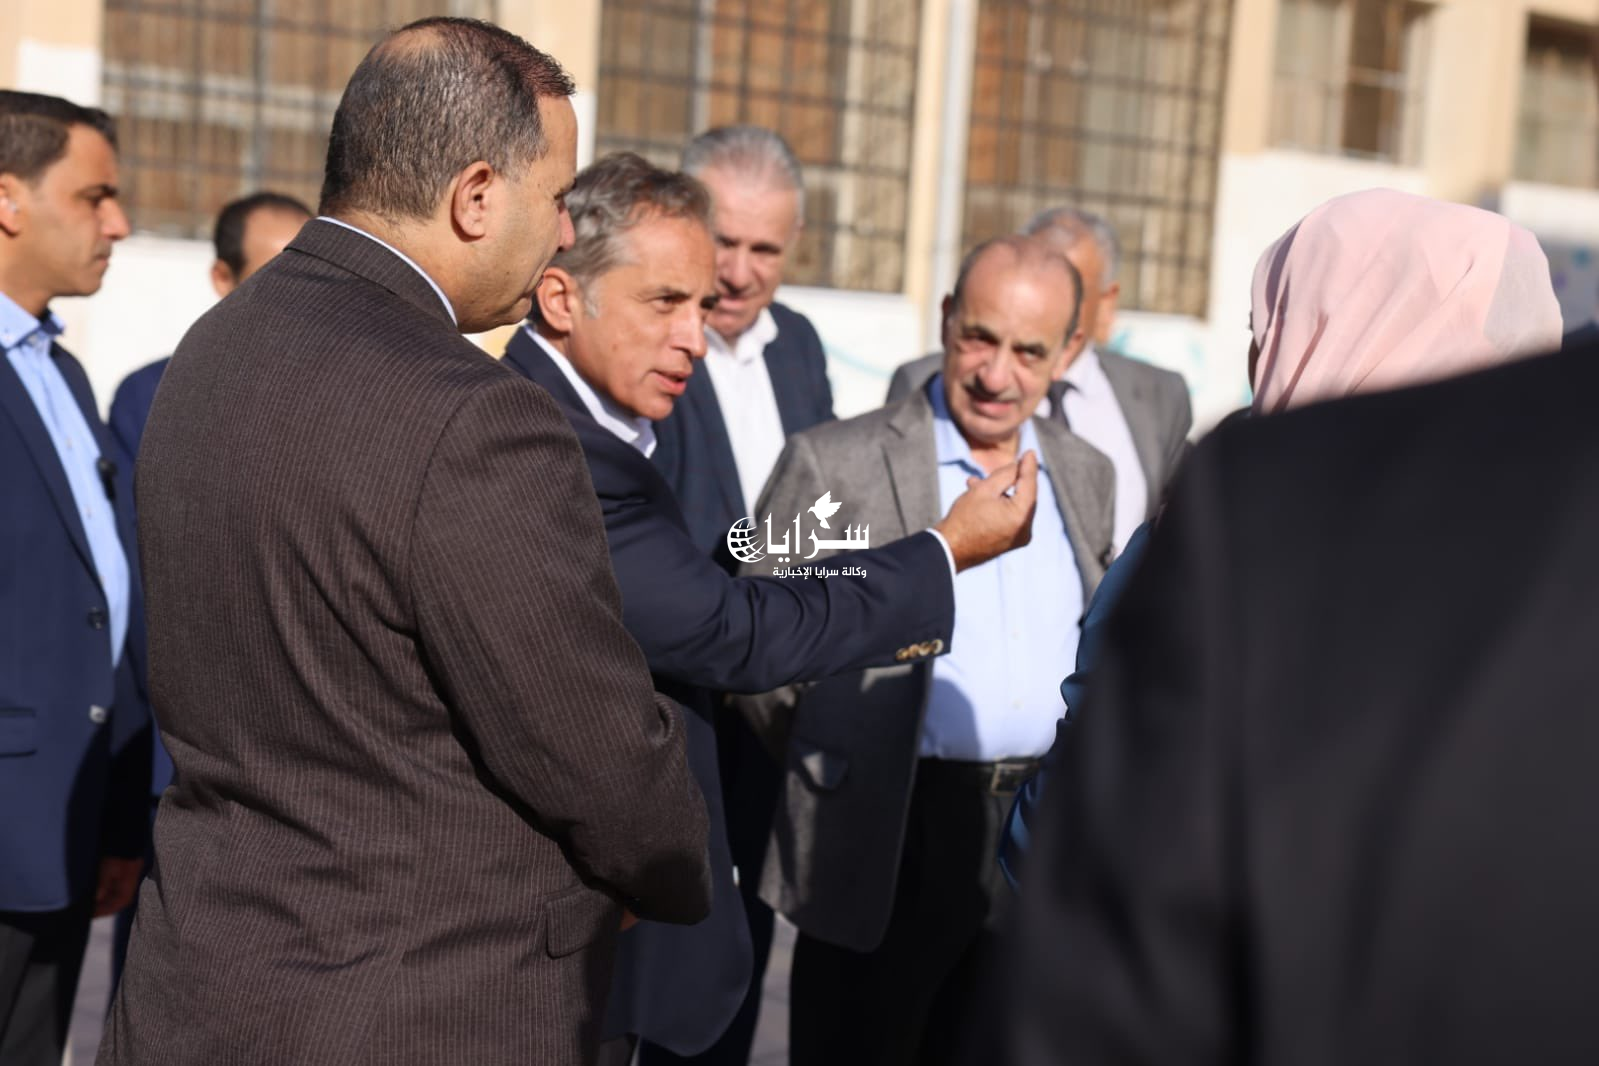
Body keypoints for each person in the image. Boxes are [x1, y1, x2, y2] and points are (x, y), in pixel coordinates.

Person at [100, 20, 711, 1066]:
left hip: (201, 988)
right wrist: (669, 869)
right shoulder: (475, 413)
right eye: (556, 198)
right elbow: (594, 750)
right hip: (419, 1007)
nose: (565, 232)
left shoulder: (212, 348)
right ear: (475, 196)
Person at [1008, 188, 1572, 1065]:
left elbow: (1074, 827)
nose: (1254, 354)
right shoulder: (1548, 568)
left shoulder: (1235, 542)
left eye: (1269, 327)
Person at [500, 152, 1040, 1065]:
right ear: (563, 295)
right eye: (668, 300)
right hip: (704, 695)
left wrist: (799, 550)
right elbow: (725, 609)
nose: (697, 328)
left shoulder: (791, 347)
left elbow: (768, 538)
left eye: (756, 256)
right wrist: (940, 551)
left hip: (738, 680)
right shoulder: (553, 434)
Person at [738, 235, 1116, 1066]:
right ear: (945, 319)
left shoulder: (1087, 472)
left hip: (1032, 836)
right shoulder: (834, 461)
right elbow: (756, 645)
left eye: (1028, 351)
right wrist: (837, 759)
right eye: (978, 337)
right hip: (886, 832)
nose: (995, 374)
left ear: (1068, 354)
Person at [653, 124, 835, 1066]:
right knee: (663, 981)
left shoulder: (797, 344)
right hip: (675, 709)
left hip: (774, 709)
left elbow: (826, 505)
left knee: (743, 959)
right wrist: (763, 553)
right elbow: (667, 535)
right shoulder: (649, 337)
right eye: (722, 240)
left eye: (765, 248)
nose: (737, 271)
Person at [0, 89, 148, 1066]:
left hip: (64, 832)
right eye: (94, 197)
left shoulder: (59, 372)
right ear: (7, 199)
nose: (119, 223)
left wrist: (118, 815)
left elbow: (98, 602)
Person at [888, 207, 1191, 554]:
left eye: (1067, 284)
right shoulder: (929, 381)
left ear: (1107, 300)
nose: (995, 379)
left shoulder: (1160, 396)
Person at [108, 191, 310, 464]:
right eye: (277, 278)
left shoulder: (346, 393)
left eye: (313, 277)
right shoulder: (153, 398)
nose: (300, 295)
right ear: (223, 278)